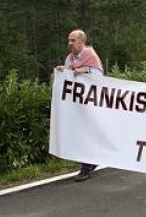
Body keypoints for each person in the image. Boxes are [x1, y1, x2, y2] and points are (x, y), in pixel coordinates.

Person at [55, 29, 104, 182]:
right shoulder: (70, 58)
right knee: (80, 134)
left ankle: (86, 168)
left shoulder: (90, 56)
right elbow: (69, 77)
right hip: (76, 105)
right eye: (69, 40)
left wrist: (85, 71)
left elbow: (98, 78)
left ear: (82, 41)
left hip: (90, 104)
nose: (69, 43)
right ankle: (91, 161)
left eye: (73, 40)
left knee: (87, 134)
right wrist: (64, 71)